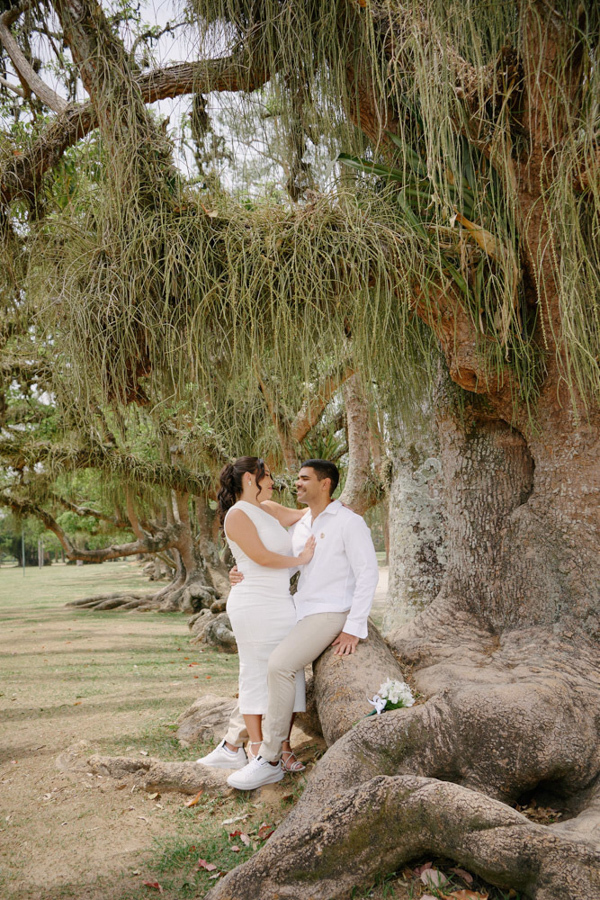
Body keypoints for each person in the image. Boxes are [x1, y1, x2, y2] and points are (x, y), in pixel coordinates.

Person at [225, 459, 379, 790]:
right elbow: (286, 565)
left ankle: (268, 759)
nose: (296, 483)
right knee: (266, 665)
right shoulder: (304, 523)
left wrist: (354, 626)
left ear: (325, 484)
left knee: (280, 665)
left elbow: (368, 574)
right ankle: (237, 742)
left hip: (330, 611)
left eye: (304, 478)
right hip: (298, 608)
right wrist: (239, 573)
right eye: (297, 478)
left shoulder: (349, 523)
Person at [196, 456, 315, 773]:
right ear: (251, 478)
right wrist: (301, 558)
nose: (274, 482)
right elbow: (261, 557)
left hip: (280, 603)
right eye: (269, 476)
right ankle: (256, 750)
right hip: (253, 603)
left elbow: (306, 514)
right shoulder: (236, 515)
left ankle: (282, 746)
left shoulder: (269, 509)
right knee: (255, 674)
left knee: (290, 673)